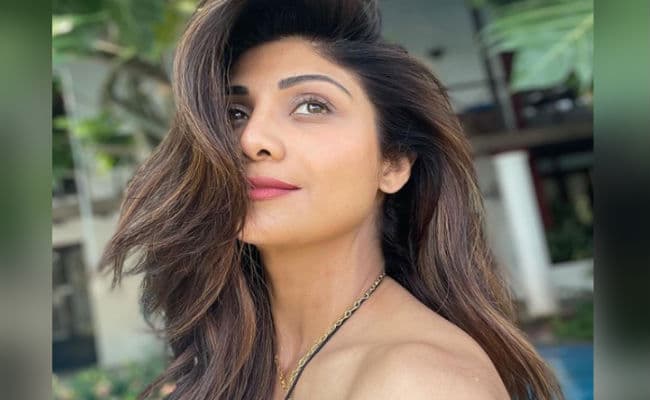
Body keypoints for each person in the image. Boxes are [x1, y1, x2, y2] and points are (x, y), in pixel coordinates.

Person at [100, 1, 565, 399]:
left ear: (392, 164)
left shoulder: (422, 381)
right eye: (235, 112)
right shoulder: (231, 351)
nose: (251, 139)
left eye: (311, 106)